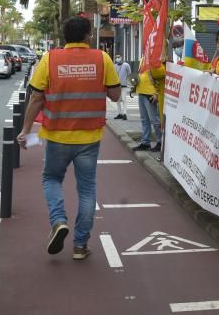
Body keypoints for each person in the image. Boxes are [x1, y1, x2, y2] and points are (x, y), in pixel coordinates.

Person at [17, 16, 121, 260]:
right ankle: (80, 246)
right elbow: (116, 96)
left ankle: (58, 221)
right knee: (87, 190)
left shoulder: (50, 59)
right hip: (89, 137)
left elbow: (36, 97)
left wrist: (25, 129)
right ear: (87, 36)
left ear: (65, 37)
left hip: (57, 136)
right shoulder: (102, 59)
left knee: (51, 179)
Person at [133, 61, 165, 151]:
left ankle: (160, 141)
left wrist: (156, 92)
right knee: (144, 119)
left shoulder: (154, 58)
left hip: (150, 92)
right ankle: (145, 142)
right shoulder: (143, 58)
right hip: (141, 91)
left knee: (154, 119)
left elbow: (161, 74)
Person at [113, 55, 131, 120]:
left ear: (121, 58)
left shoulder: (126, 65)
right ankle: (119, 113)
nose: (117, 59)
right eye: (116, 58)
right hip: (117, 86)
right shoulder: (114, 66)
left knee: (124, 99)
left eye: (118, 57)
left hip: (124, 85)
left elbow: (129, 74)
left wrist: (129, 83)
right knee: (117, 99)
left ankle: (125, 114)